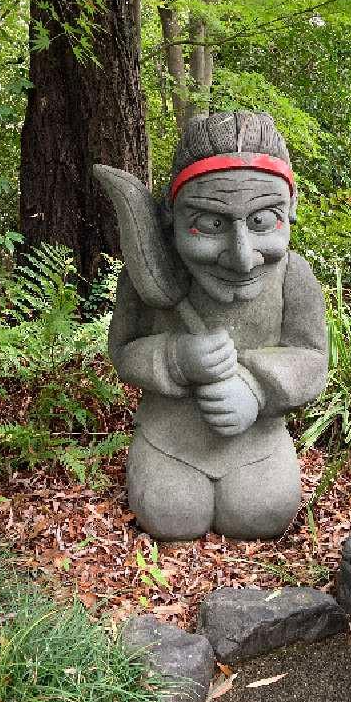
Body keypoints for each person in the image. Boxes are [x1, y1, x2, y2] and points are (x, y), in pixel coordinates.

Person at [108, 111, 328, 541]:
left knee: (261, 512)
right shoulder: (145, 279)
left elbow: (312, 358)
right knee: (170, 514)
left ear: (291, 208)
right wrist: (174, 358)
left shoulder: (293, 276)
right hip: (170, 440)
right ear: (172, 214)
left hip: (257, 443)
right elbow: (124, 350)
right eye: (210, 224)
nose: (242, 256)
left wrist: (256, 386)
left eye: (263, 221)